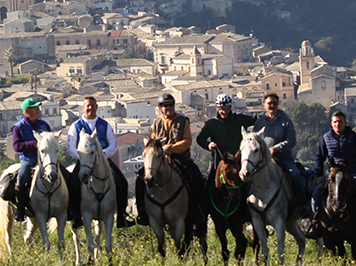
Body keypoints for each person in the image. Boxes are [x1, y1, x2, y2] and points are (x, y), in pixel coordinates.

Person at [66, 96, 135, 229]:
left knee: (122, 182)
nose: (90, 108)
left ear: (97, 107)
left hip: (103, 161)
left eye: (92, 105)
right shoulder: (76, 126)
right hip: (84, 161)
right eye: (88, 106)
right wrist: (83, 156)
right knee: (73, 183)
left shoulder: (105, 125)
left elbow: (113, 144)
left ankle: (121, 216)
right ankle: (75, 215)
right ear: (83, 107)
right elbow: (70, 147)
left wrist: (103, 155)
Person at [306, 111, 356, 238]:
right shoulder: (326, 138)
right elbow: (319, 157)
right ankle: (316, 223)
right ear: (331, 124)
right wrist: (318, 175)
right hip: (332, 177)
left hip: (351, 174)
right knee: (316, 193)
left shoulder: (354, 137)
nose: (337, 124)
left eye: (340, 121)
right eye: (335, 122)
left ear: (345, 123)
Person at [135, 93, 203, 225]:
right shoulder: (156, 123)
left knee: (195, 177)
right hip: (159, 160)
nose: (168, 108)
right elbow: (151, 141)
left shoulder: (183, 120)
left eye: (171, 105)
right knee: (140, 179)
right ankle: (142, 212)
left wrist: (172, 149)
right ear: (160, 108)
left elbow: (187, 141)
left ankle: (197, 212)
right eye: (165, 106)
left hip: (180, 158)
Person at [253, 92, 308, 217]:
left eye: (274, 103)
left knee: (295, 176)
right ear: (264, 105)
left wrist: (276, 148)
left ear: (278, 105)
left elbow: (291, 141)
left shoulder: (286, 121)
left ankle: (302, 205)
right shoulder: (259, 122)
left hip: (284, 158)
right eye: (269, 103)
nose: (272, 105)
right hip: (264, 160)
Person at [196, 94, 256, 184]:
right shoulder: (211, 124)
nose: (224, 111)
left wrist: (271, 112)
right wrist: (208, 145)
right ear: (216, 108)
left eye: (227, 108)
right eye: (221, 109)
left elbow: (255, 118)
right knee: (210, 186)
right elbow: (200, 139)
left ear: (230, 107)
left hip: (239, 162)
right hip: (220, 162)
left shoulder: (238, 119)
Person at [12, 97, 52, 221]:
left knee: (62, 173)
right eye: (35, 108)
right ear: (27, 111)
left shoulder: (44, 125)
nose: (38, 110)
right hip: (28, 159)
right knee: (21, 177)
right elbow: (16, 146)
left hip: (45, 158)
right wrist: (33, 144)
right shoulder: (18, 127)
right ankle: (20, 208)